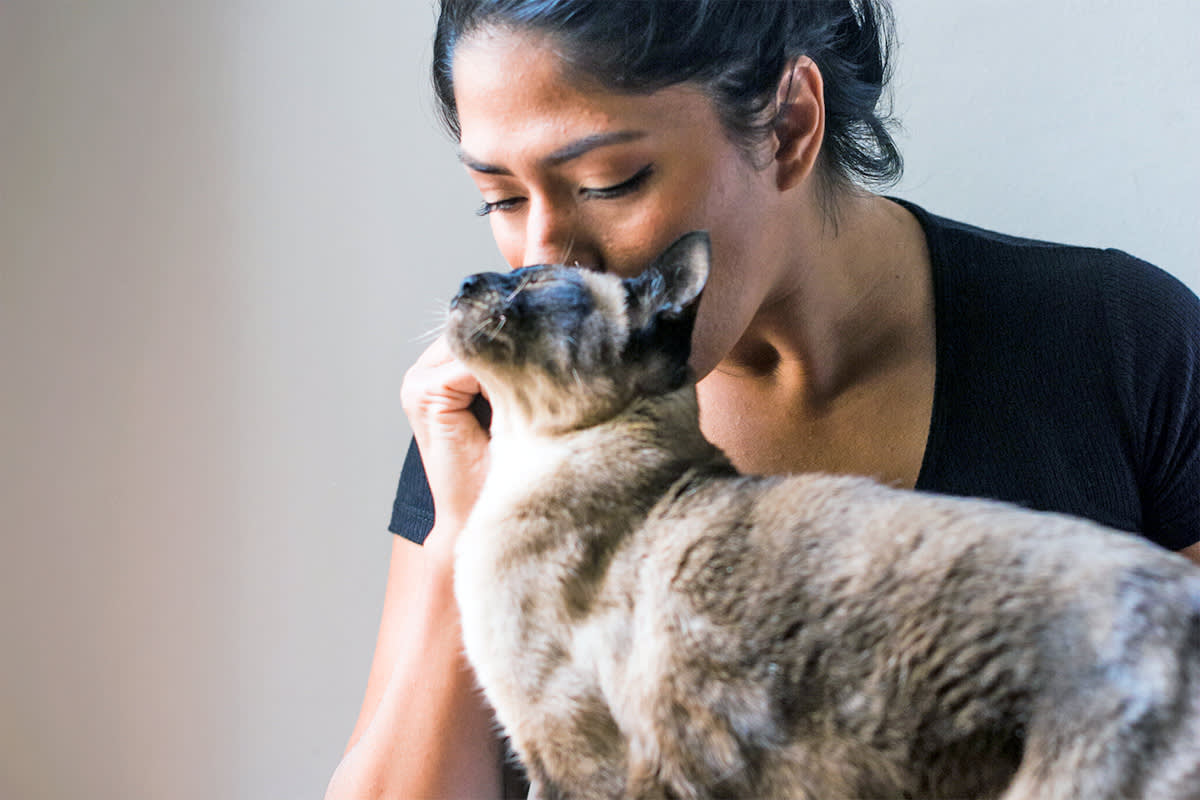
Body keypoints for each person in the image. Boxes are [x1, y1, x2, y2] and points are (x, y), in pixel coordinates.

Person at [325, 1, 1200, 797]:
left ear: (788, 125)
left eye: (608, 183)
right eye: (500, 199)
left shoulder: (1121, 343)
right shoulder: (523, 397)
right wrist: (464, 541)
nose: (548, 257)